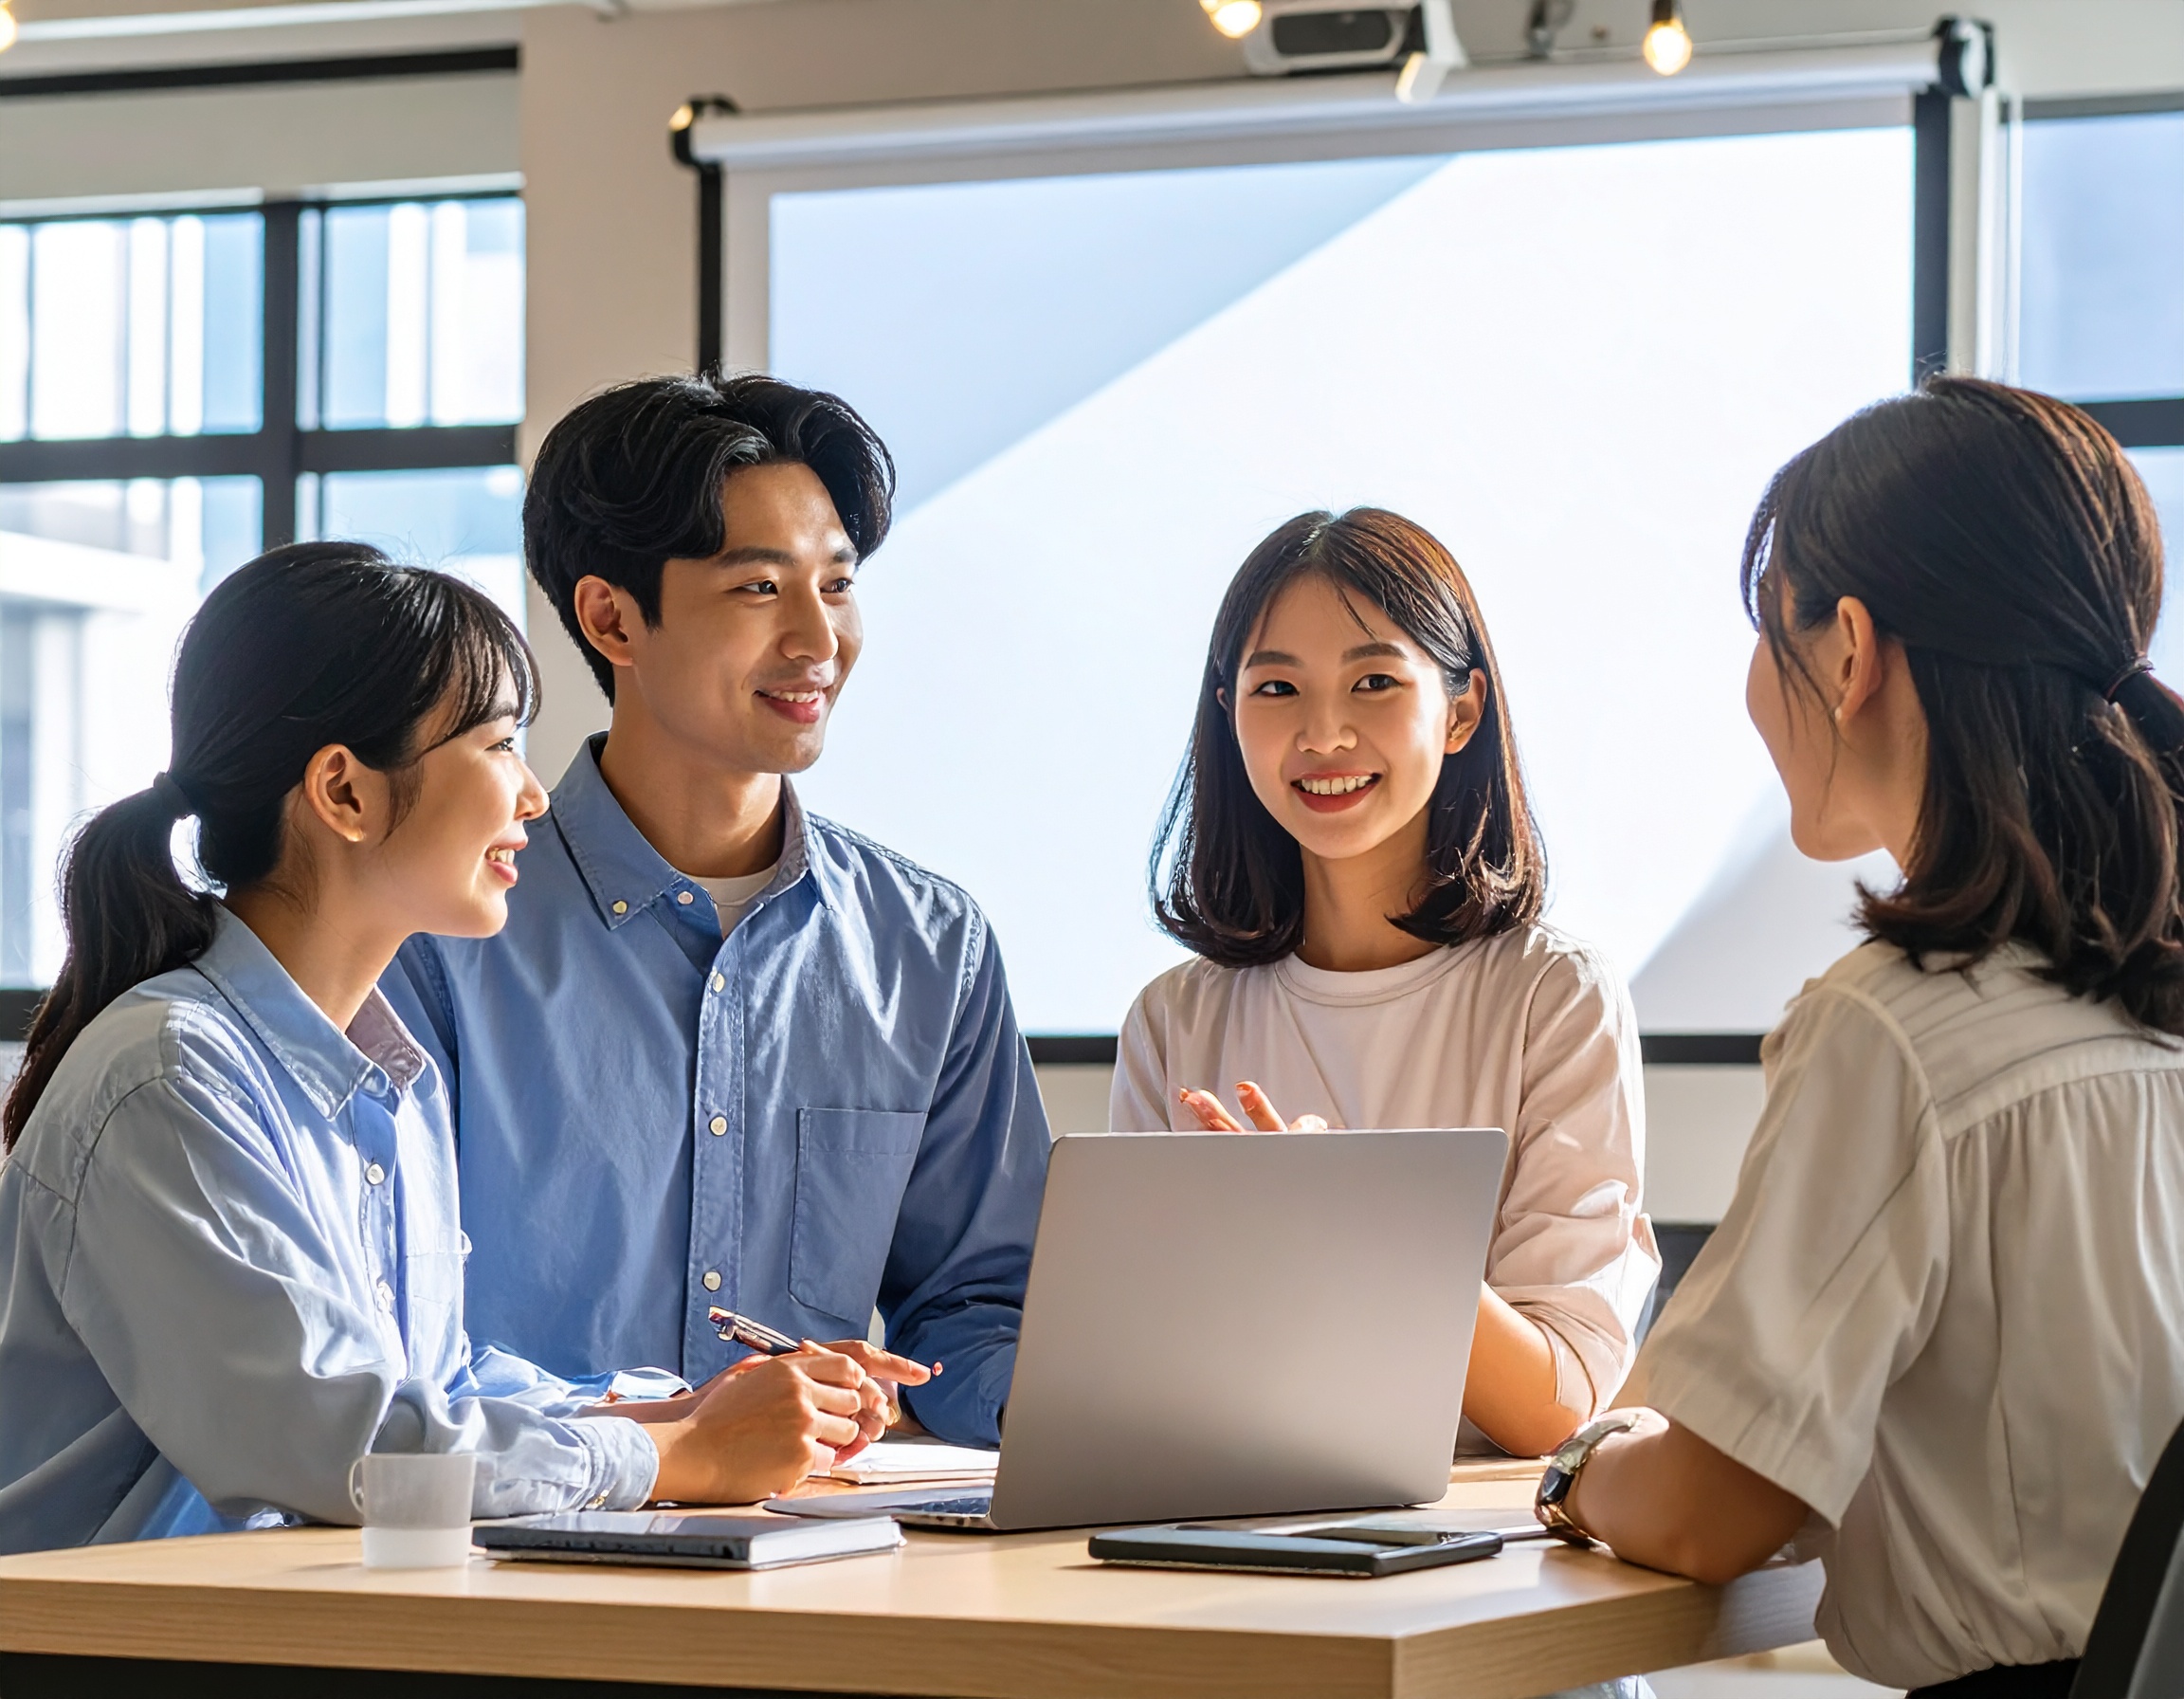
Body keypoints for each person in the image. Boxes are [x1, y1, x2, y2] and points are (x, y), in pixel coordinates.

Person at [0, 545, 927, 1554]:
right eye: (496, 746)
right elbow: (340, 1442)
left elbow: (437, 1389)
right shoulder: (171, 1078)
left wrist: (689, 1414)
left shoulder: (394, 1079)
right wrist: (675, 1460)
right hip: (113, 1646)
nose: (532, 795)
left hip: (286, 1620)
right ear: (345, 793)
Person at [1547, 378, 2184, 1699]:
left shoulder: (1895, 1031)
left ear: (1848, 649)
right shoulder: (2148, 1004)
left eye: (1763, 628)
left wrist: (1577, 1468)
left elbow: (1709, 1509)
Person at [381, 374, 1047, 1448]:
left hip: (817, 1560)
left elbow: (978, 1315)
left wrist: (1108, 1396)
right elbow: (397, 1338)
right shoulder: (439, 939)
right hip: (509, 1555)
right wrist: (664, 1433)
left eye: (836, 586)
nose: (816, 639)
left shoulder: (934, 949)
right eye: (759, 590)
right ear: (611, 618)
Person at [1112, 507, 1659, 1459]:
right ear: (1228, 714)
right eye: (1276, 687)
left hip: (1474, 1547)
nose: (1323, 733)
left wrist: (1356, 1215)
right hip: (1221, 1522)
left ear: (1462, 711)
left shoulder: (1553, 997)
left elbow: (1558, 1405)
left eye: (1373, 681)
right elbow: (1132, 1376)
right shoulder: (1175, 1021)